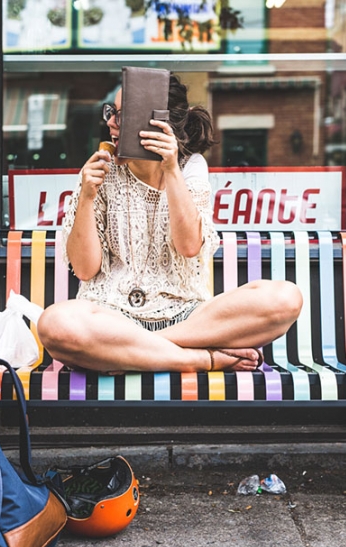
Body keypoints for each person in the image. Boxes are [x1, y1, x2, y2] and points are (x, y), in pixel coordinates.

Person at [37, 73, 302, 373]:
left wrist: (171, 169)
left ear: (158, 125)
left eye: (122, 116)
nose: (110, 123)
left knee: (285, 298)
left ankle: (127, 354)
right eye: (110, 113)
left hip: (188, 318)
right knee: (55, 324)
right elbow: (85, 269)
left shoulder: (190, 168)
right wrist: (86, 195)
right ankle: (202, 360)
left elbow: (189, 247)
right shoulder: (98, 171)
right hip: (112, 316)